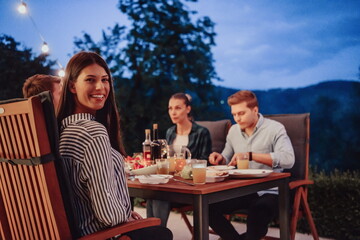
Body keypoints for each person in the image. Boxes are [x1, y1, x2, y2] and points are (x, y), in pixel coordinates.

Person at [57, 51, 172, 240]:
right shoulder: (93, 132)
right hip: (100, 235)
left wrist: (125, 214)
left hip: (79, 231)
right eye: (90, 80)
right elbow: (108, 215)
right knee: (160, 232)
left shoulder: (63, 130)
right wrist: (125, 217)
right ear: (72, 86)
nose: (100, 87)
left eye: (105, 80)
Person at [208, 90, 295, 240]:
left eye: (241, 113)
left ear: (255, 110)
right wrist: (219, 158)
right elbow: (227, 156)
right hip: (243, 190)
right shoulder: (233, 131)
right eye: (234, 114)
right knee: (208, 208)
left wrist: (251, 156)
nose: (237, 118)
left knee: (258, 214)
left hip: (272, 191)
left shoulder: (275, 128)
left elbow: (289, 159)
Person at [147, 92, 212, 226]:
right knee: (152, 195)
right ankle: (153, 234)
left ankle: (159, 234)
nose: (173, 112)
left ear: (188, 109)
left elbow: (205, 162)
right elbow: (166, 160)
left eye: (178, 108)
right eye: (170, 108)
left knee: (159, 197)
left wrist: (184, 164)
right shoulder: (170, 132)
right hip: (172, 184)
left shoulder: (202, 132)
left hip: (189, 187)